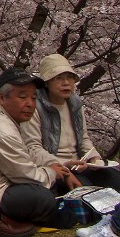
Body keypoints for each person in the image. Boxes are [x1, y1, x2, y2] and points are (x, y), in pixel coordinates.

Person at [0, 67, 80, 236]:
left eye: (34, 97)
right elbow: (26, 175)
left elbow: (27, 152)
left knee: (48, 188)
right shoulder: (0, 128)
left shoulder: (7, 117)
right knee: (42, 197)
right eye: (22, 97)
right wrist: (52, 173)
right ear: (2, 98)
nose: (30, 103)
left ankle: (16, 216)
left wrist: (57, 164)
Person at [21, 54, 120, 191]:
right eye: (59, 78)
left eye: (70, 77)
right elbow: (32, 148)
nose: (66, 82)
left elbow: (83, 138)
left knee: (115, 179)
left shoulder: (75, 105)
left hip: (80, 164)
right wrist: (63, 163)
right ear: (47, 82)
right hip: (54, 166)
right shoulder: (35, 108)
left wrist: (94, 159)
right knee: (89, 190)